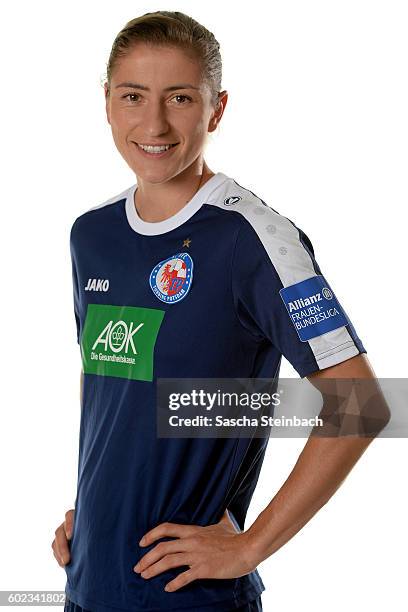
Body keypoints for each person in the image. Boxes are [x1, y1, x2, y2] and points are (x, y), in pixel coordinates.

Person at [51, 10, 389, 612]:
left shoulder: (253, 239)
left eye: (179, 98)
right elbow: (108, 380)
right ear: (107, 103)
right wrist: (94, 502)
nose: (153, 122)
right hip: (88, 582)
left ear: (217, 108)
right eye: (133, 96)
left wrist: (248, 546)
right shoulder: (91, 234)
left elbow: (360, 404)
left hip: (189, 598)